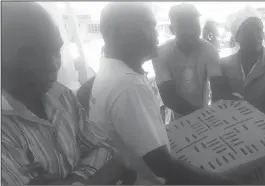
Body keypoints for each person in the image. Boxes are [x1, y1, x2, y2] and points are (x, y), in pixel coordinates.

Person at [88, 2, 232, 185]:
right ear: (119, 33)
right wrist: (223, 182)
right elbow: (161, 164)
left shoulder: (112, 71)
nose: (156, 33)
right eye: (149, 25)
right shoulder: (128, 85)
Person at [1, 2, 120, 185]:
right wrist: (98, 175)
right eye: (33, 54)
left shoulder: (61, 95)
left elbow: (107, 149)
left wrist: (75, 181)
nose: (53, 65)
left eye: (56, 50)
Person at [154, 4, 228, 118]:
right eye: (183, 26)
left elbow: (217, 86)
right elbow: (168, 96)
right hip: (175, 117)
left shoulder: (208, 49)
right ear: (172, 29)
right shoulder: (161, 53)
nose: (190, 32)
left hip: (202, 112)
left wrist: (212, 115)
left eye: (194, 25)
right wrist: (200, 116)